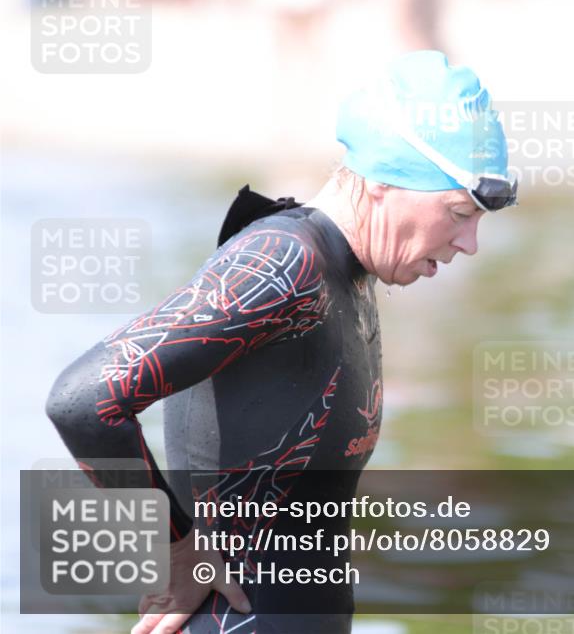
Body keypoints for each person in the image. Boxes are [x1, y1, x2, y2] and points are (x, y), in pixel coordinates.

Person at [44, 50, 517, 634]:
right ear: (380, 184)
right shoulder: (285, 262)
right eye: (457, 212)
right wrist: (176, 547)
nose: (469, 242)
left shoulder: (347, 272)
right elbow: (84, 399)